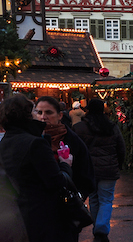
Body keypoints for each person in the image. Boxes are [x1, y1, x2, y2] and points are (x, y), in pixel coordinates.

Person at [0, 94, 76, 242]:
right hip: (41, 217)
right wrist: (65, 164)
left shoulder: (4, 143)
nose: (39, 116)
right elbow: (56, 181)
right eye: (35, 111)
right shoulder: (35, 144)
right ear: (26, 116)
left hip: (16, 216)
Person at [73, 98, 126, 242]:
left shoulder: (80, 127)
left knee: (94, 199)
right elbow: (121, 147)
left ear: (88, 109)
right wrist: (119, 164)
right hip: (109, 169)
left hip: (89, 170)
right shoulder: (111, 126)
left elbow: (76, 149)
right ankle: (101, 229)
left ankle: (98, 227)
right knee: (106, 199)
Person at [34, 96, 95, 200]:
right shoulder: (30, 138)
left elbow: (86, 172)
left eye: (48, 113)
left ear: (60, 115)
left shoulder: (72, 140)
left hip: (65, 203)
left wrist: (79, 196)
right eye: (39, 113)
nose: (43, 117)